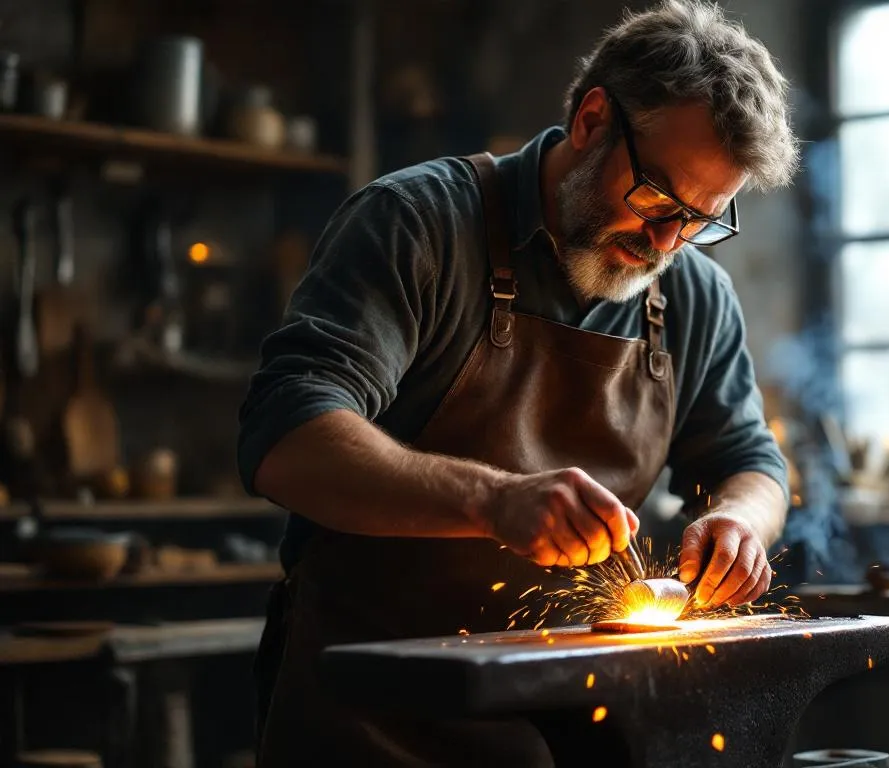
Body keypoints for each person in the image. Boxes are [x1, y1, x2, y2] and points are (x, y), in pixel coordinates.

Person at [239, 0, 799, 764]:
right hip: (370, 716)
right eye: (656, 198)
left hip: (571, 722)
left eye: (700, 218)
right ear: (593, 119)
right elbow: (286, 437)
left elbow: (751, 463)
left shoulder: (694, 294)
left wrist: (740, 522)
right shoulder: (418, 225)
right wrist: (491, 500)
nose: (667, 242)